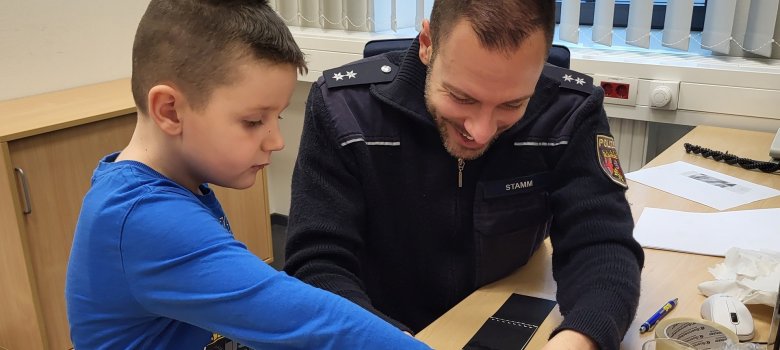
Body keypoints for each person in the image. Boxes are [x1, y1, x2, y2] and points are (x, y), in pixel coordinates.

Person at [64, 1, 433, 349]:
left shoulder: (163, 188)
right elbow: (309, 321)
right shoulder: (145, 218)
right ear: (170, 111)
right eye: (254, 121)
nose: (274, 140)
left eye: (278, 117)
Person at [283, 0, 644, 349]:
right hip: (375, 325)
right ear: (427, 45)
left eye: (512, 104)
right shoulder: (343, 109)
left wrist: (581, 339)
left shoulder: (570, 111)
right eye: (461, 97)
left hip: (508, 314)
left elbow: (601, 244)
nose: (481, 131)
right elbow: (317, 263)